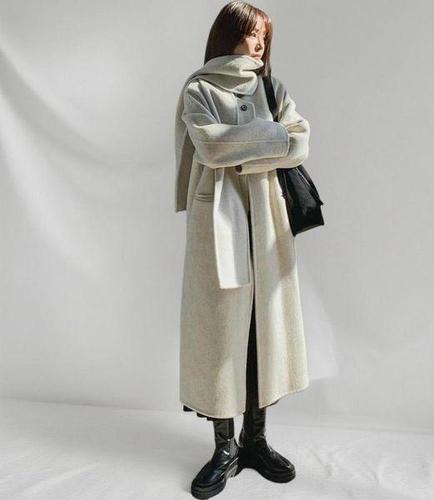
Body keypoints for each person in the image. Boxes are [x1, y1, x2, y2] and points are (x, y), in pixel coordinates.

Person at [174, 2, 311, 498]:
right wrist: (272, 140)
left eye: (264, 37)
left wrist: (245, 147)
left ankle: (256, 441)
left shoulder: (273, 89)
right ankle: (224, 447)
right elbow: (211, 147)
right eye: (252, 33)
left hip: (269, 220)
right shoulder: (199, 89)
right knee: (220, 329)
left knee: (263, 327)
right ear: (228, 33)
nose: (259, 44)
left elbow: (301, 144)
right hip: (218, 219)